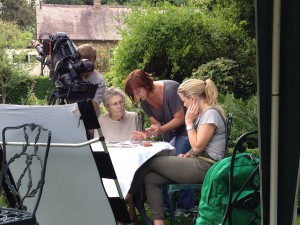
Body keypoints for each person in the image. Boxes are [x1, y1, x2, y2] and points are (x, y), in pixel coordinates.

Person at [125, 78, 227, 225]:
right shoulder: (204, 114)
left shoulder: (210, 114)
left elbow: (198, 147)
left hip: (209, 168)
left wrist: (188, 122)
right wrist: (188, 154)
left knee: (149, 161)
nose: (184, 105)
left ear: (193, 99)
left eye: (184, 101)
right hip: (200, 163)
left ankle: (127, 195)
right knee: (151, 179)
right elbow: (199, 147)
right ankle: (158, 222)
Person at [124, 69, 195, 213]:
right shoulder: (144, 102)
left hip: (187, 130)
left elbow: (180, 119)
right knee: (160, 163)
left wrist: (160, 130)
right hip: (169, 136)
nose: (137, 96)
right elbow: (157, 125)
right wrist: (146, 134)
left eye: (138, 91)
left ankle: (186, 206)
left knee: (179, 160)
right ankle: (167, 206)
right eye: (134, 94)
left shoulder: (171, 89)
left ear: (146, 84)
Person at [94, 87, 140, 225]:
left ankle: (123, 217)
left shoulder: (133, 117)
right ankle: (124, 217)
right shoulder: (101, 121)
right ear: (107, 107)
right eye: (115, 104)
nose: (120, 107)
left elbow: (139, 143)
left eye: (121, 102)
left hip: (131, 164)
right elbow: (97, 148)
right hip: (110, 165)